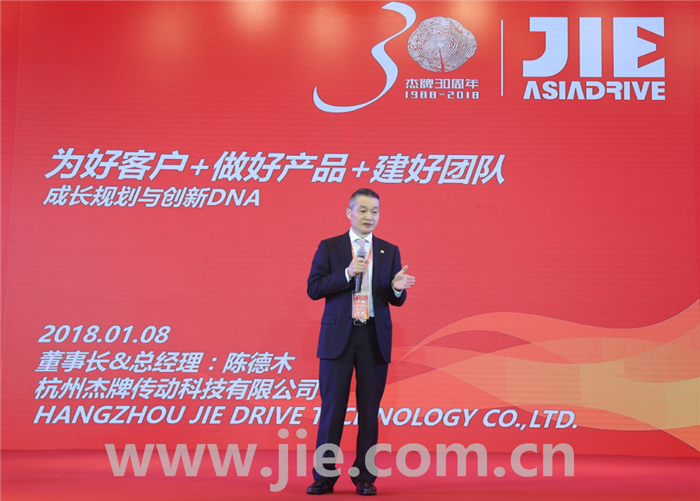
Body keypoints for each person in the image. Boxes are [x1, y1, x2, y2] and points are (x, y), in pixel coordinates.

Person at [306, 188, 415, 496]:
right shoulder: (330, 247)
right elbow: (314, 288)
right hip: (338, 338)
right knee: (332, 410)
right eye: (363, 210)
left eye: (375, 211)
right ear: (349, 213)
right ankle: (324, 476)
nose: (370, 216)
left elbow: (396, 299)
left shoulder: (389, 250)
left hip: (373, 337)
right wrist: (346, 273)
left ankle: (365, 476)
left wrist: (397, 288)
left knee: (369, 412)